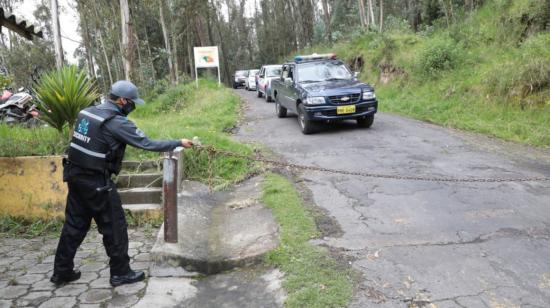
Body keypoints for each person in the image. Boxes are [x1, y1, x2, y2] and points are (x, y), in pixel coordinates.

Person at [51, 80, 194, 287]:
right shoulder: (117, 122)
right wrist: (178, 142)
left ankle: (61, 271)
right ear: (122, 100)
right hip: (96, 182)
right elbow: (147, 143)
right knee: (115, 226)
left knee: (74, 225)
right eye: (131, 103)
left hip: (74, 175)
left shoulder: (88, 112)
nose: (132, 107)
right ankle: (120, 273)